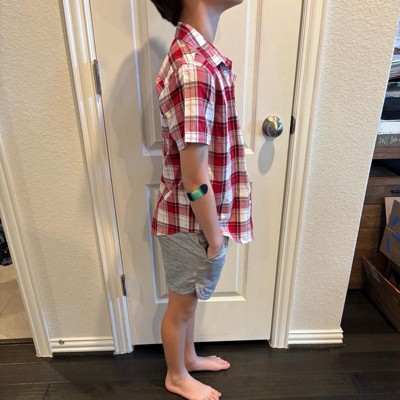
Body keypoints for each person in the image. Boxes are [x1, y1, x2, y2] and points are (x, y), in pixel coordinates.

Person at [150, 1, 253, 399]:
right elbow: (194, 176)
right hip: (189, 222)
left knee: (188, 301)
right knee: (181, 308)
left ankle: (188, 359)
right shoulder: (194, 67)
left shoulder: (195, 57)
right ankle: (176, 376)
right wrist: (214, 239)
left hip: (190, 218)